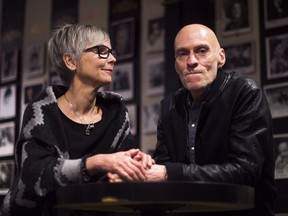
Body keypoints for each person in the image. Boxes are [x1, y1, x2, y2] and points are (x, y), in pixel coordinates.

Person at [110, 24, 276, 216]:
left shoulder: (245, 93)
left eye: (202, 50)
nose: (192, 61)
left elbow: (245, 172)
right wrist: (138, 171)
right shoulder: (169, 106)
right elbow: (162, 165)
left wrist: (168, 173)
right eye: (182, 53)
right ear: (175, 64)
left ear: (220, 57)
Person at [0, 24, 153, 216]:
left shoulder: (117, 112)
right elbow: (35, 176)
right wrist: (95, 163)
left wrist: (136, 162)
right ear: (71, 61)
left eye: (111, 52)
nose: (113, 59)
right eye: (101, 51)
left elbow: (118, 177)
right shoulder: (42, 111)